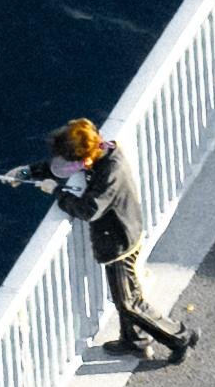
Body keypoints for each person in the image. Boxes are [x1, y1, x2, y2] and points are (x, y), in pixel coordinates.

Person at [17, 117, 192, 364]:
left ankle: (180, 336)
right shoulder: (103, 152)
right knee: (128, 297)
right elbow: (64, 167)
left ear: (86, 158)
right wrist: (29, 172)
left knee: (129, 303)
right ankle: (135, 341)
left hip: (120, 244)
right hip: (119, 236)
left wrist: (57, 192)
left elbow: (89, 210)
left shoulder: (112, 171)